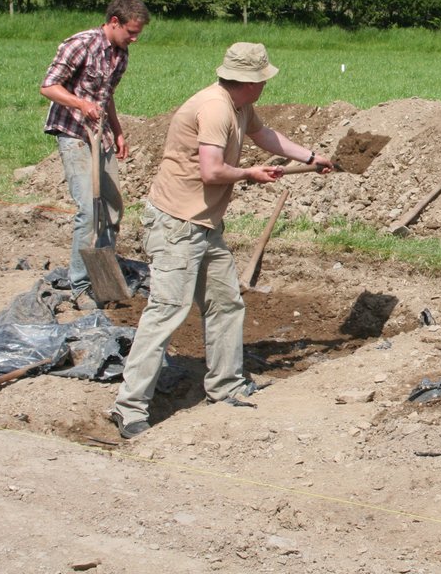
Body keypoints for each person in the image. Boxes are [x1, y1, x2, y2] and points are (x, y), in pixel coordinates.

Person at [110, 42, 333, 439]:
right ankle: (128, 408)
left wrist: (311, 158)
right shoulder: (213, 109)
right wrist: (250, 174)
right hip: (177, 225)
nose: (265, 85)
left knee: (225, 303)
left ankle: (226, 385)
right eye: (262, 79)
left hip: (205, 225)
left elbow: (264, 135)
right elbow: (212, 171)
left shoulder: (239, 105)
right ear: (250, 81)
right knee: (167, 311)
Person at [40, 0, 150, 306]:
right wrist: (81, 103)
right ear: (114, 22)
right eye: (131, 31)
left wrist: (118, 131)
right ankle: (80, 287)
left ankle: (104, 277)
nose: (135, 38)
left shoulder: (121, 54)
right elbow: (48, 86)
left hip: (100, 137)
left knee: (112, 208)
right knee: (88, 211)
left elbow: (107, 95)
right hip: (73, 133)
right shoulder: (80, 45)